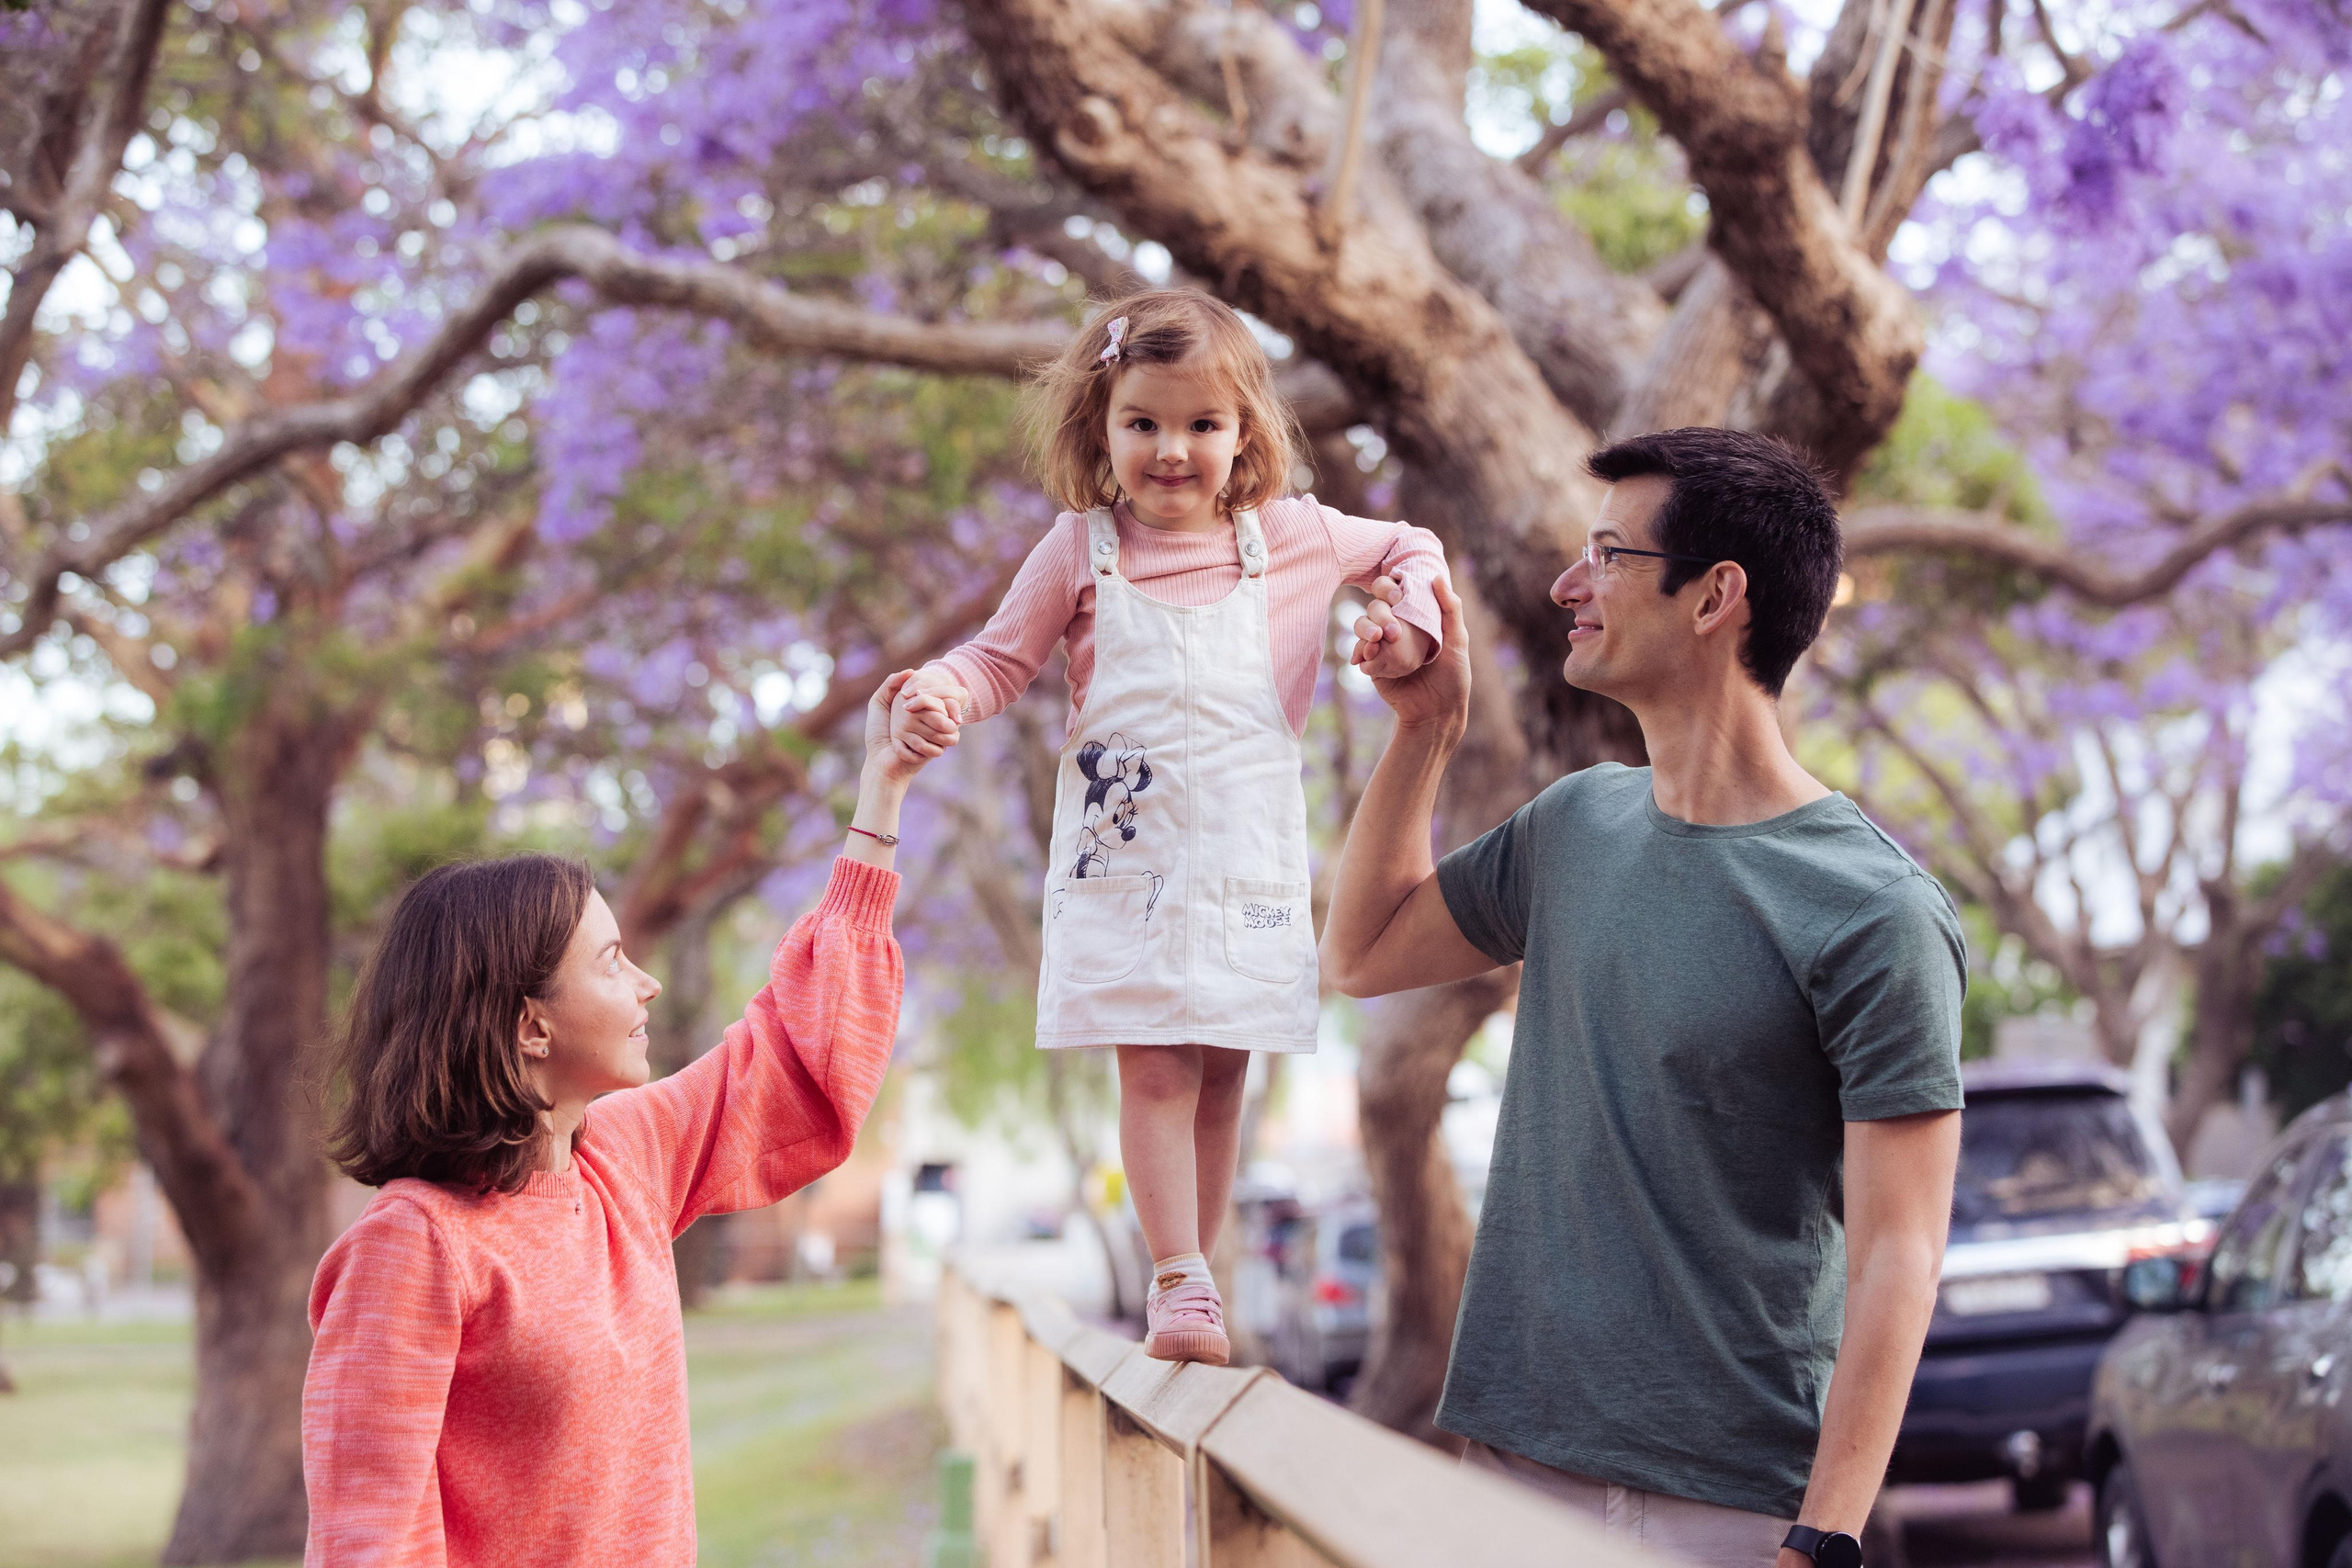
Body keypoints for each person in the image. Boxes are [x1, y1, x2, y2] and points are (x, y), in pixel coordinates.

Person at [1320, 429, 1964, 1568]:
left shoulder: (1875, 911)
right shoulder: (1575, 826)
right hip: (1511, 1473)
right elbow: (1362, 952)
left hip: (1727, 1507)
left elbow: (1897, 1257)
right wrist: (1425, 731)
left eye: (1608, 556)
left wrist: (1825, 1537)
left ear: (1716, 596)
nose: (1569, 586)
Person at [890, 288, 1451, 1364]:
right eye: (1143, 422)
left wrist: (1409, 633)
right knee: (1153, 1069)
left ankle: (1200, 1254)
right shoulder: (1078, 550)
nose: (1171, 450)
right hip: (1129, 867)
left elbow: (1409, 546)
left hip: (1244, 864)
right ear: (1101, 428)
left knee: (1225, 1072)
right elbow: (1000, 657)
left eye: (1201, 425)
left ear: (1244, 436)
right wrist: (946, 696)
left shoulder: (1287, 540)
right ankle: (1179, 1280)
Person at [300, 671, 941, 1567]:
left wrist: (882, 793)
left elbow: (797, 1063)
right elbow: (371, 1541)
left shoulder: (622, 1159)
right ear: (530, 1024)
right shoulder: (414, 1245)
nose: (648, 984)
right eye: (611, 962)